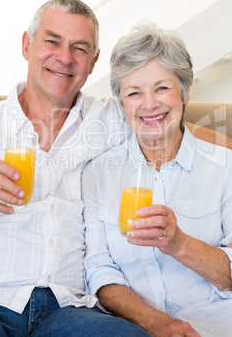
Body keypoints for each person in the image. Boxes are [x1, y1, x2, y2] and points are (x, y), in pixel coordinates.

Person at [0, 0, 150, 337]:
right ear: (27, 45)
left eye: (79, 48)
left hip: (69, 309)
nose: (64, 58)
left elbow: (173, 128)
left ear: (93, 62)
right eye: (52, 41)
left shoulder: (111, 119)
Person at [82, 21, 232, 337]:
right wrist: (155, 323)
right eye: (134, 92)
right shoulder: (97, 172)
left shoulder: (224, 165)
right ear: (122, 103)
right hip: (135, 328)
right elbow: (99, 270)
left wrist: (179, 244)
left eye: (162, 88)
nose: (149, 104)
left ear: (186, 91)